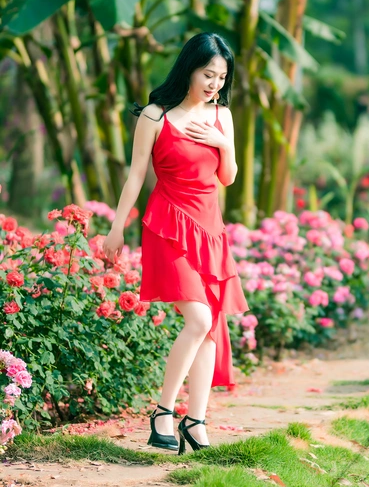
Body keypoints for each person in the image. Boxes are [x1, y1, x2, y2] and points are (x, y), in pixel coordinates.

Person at [102, 32, 249, 454]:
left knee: (210, 327)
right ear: (189, 69)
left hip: (210, 228)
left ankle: (195, 422)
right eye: (208, 74)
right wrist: (117, 227)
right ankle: (163, 412)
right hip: (167, 224)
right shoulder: (155, 116)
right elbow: (136, 175)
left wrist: (223, 144)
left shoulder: (222, 116)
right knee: (199, 320)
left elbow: (227, 177)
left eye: (221, 77)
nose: (214, 84)